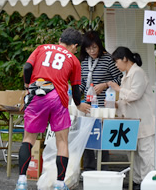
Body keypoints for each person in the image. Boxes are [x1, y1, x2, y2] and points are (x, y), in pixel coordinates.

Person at [15, 28, 83, 190]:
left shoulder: (41, 48)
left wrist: (26, 87)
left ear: (60, 40)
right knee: (62, 141)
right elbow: (75, 89)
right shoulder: (73, 60)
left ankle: (22, 181)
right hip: (57, 97)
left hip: (37, 94)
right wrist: (79, 104)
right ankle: (60, 183)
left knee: (29, 139)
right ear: (74, 46)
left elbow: (26, 67)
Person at [108, 47, 156, 190]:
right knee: (135, 152)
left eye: (116, 61)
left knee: (146, 153)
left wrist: (118, 89)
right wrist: (116, 104)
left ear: (125, 59)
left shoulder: (138, 73)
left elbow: (134, 95)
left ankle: (148, 182)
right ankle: (137, 180)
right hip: (132, 121)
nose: (116, 65)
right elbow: (126, 100)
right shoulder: (126, 75)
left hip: (144, 120)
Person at [78, 31, 123, 171]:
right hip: (87, 104)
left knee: (102, 136)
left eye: (94, 48)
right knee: (87, 135)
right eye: (88, 48)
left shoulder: (108, 59)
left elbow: (120, 79)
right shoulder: (84, 61)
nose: (91, 51)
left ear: (99, 45)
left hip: (104, 105)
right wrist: (74, 95)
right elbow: (82, 83)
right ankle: (89, 168)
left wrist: (105, 85)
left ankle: (103, 167)